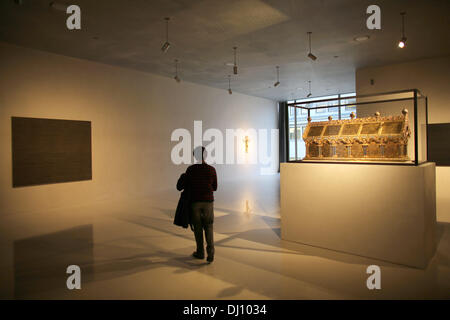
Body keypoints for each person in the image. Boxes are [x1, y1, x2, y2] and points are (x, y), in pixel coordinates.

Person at [183, 146, 217, 263]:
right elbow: (215, 187)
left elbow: (185, 185)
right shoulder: (212, 170)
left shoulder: (190, 169)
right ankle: (211, 253)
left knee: (198, 228)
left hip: (195, 202)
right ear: (206, 155)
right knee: (209, 227)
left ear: (194, 156)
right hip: (208, 202)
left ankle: (200, 252)